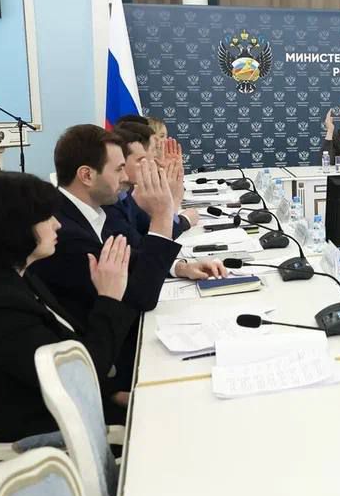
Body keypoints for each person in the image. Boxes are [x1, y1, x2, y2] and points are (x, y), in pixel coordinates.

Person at [0, 172, 138, 444]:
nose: (57, 224)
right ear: (13, 227)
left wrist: (113, 393)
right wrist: (109, 297)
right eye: (46, 217)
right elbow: (78, 375)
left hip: (70, 410)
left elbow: (70, 348)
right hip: (51, 438)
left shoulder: (19, 279)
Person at [29, 125, 224, 389]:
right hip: (109, 363)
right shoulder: (65, 233)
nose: (127, 178)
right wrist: (162, 214)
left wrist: (178, 267)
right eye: (119, 169)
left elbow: (128, 256)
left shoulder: (91, 211)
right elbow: (142, 296)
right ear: (86, 175)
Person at [103, 124, 194, 246]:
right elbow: (146, 249)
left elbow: (151, 230)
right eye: (141, 160)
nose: (150, 162)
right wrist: (173, 201)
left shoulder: (127, 194)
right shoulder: (111, 203)